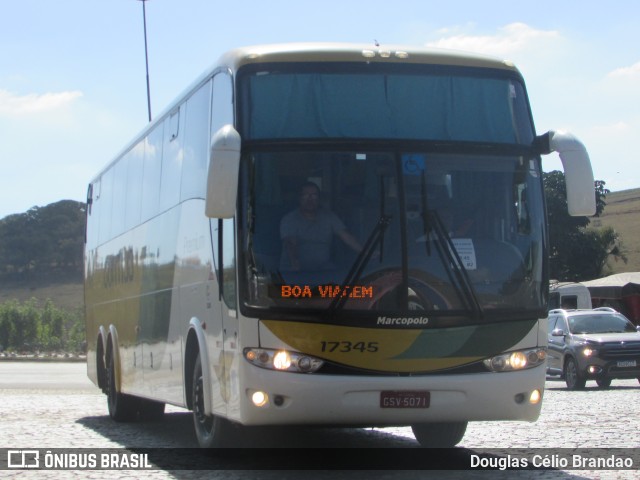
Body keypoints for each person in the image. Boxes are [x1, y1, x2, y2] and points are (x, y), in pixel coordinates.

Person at [280, 182, 362, 272]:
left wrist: (365, 252)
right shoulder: (289, 219)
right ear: (299, 198)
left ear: (319, 199)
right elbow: (291, 244)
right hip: (295, 272)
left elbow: (347, 237)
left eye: (314, 195)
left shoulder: (329, 217)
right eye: (306, 195)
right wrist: (295, 264)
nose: (310, 199)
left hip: (323, 270)